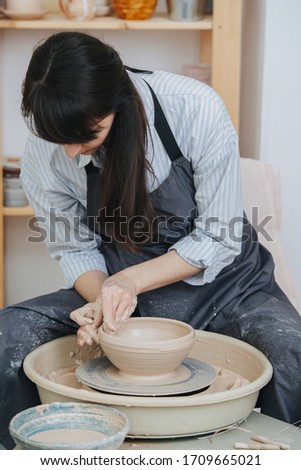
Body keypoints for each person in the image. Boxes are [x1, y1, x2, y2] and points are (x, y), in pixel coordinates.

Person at [0, 31, 300, 449]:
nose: (70, 152)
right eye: (58, 139)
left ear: (118, 105)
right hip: (123, 289)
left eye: (88, 135)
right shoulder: (45, 153)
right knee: (8, 335)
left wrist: (128, 283)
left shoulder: (193, 107)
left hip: (227, 285)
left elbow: (218, 235)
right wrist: (104, 301)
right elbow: (74, 248)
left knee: (290, 351)